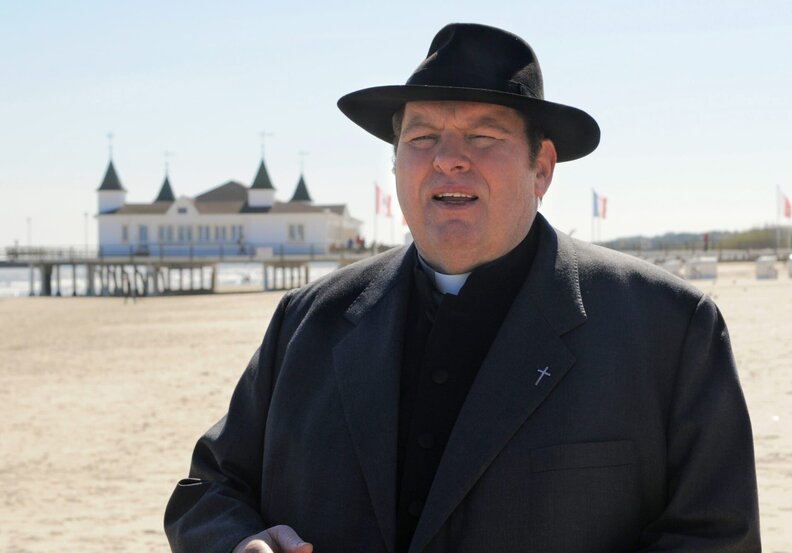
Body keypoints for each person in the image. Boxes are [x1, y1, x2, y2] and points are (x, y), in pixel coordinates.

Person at [165, 23, 760, 552]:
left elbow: (717, 536)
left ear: (542, 168)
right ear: (396, 163)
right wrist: (239, 542)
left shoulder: (669, 327)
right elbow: (209, 490)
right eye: (422, 138)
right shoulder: (306, 320)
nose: (448, 159)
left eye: (483, 136)